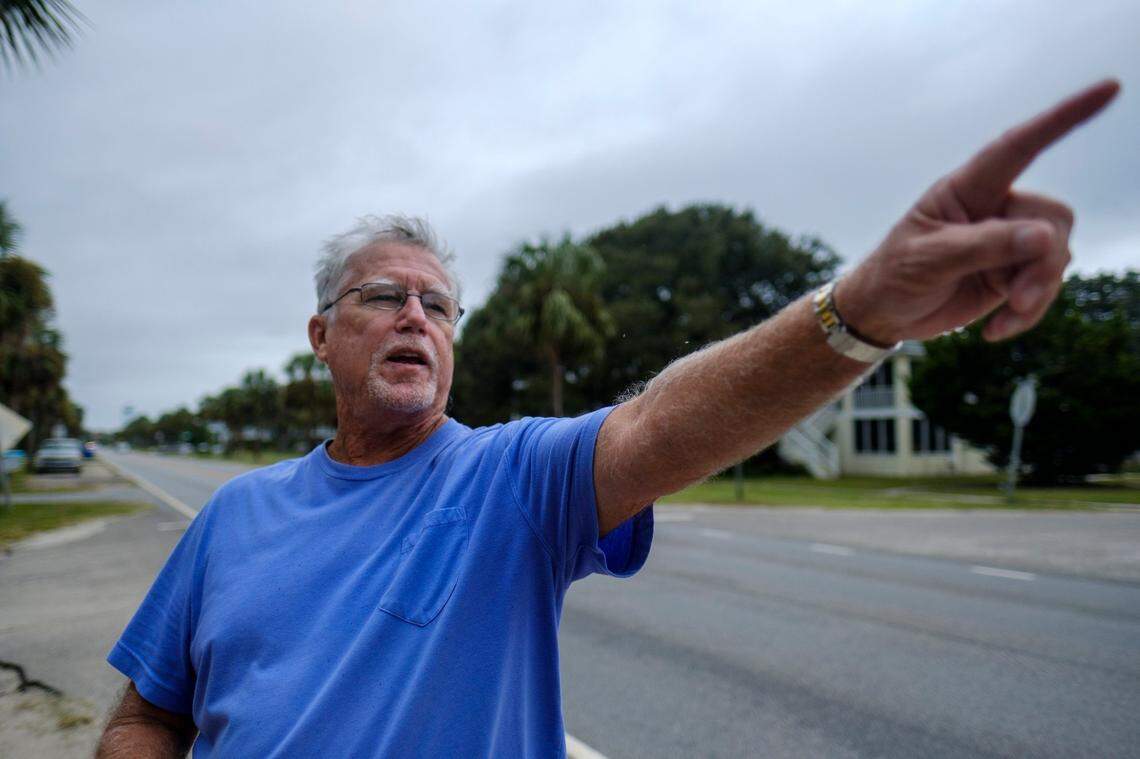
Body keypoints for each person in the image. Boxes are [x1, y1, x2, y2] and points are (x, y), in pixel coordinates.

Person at [96, 80, 1119, 757]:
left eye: (439, 304)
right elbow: (151, 711)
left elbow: (657, 427)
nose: (416, 314)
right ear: (320, 335)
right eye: (382, 296)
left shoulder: (509, 481)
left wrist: (856, 316)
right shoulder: (235, 518)